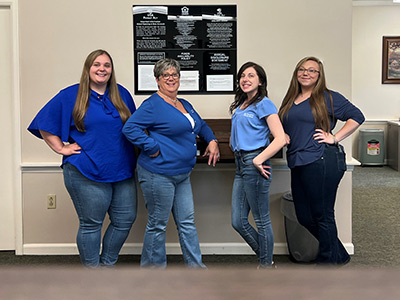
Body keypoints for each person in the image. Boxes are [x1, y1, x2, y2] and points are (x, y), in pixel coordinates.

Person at [28, 49, 137, 268]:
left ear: (111, 70)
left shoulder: (121, 94)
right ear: (88, 68)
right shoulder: (72, 95)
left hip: (122, 170)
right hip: (86, 170)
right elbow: (43, 122)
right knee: (91, 224)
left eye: (107, 65)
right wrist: (61, 148)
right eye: (96, 64)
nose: (102, 69)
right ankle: (92, 275)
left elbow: (134, 128)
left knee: (124, 220)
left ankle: (107, 265)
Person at [122, 58, 220, 268]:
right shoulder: (152, 105)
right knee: (158, 225)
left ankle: (196, 268)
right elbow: (129, 129)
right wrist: (152, 147)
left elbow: (200, 125)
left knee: (187, 223)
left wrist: (211, 140)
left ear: (179, 78)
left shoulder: (184, 104)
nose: (171, 78)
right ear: (157, 80)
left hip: (182, 174)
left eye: (174, 74)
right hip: (158, 174)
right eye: (165, 75)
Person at [278, 56, 365, 265]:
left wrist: (334, 137)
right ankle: (339, 254)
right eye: (302, 69)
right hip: (298, 160)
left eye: (312, 70)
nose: (306, 73)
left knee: (322, 214)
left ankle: (327, 263)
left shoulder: (327, 97)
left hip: (322, 159)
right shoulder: (291, 99)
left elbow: (357, 116)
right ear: (296, 73)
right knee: (304, 215)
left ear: (319, 76)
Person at [230, 62, 286, 269]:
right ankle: (266, 260)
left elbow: (281, 138)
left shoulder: (264, 103)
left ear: (260, 81)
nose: (245, 79)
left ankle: (265, 266)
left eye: (251, 75)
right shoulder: (242, 104)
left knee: (261, 220)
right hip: (240, 165)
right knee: (238, 221)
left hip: (254, 163)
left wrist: (257, 159)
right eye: (243, 76)